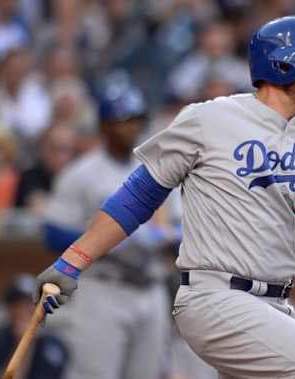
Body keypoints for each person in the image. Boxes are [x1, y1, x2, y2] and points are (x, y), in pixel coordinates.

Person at [33, 16, 295, 379]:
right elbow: (137, 198)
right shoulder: (210, 119)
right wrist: (73, 261)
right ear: (281, 63)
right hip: (216, 297)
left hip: (275, 304)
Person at [40, 71, 175, 379]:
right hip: (103, 287)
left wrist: (165, 237)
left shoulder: (158, 169)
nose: (132, 126)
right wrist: (107, 240)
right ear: (104, 125)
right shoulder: (81, 173)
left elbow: (182, 228)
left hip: (150, 286)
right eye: (123, 119)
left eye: (135, 119)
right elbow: (52, 233)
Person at [0, 274, 68, 379]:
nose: (23, 310)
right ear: (8, 309)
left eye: (29, 304)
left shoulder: (53, 346)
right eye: (17, 304)